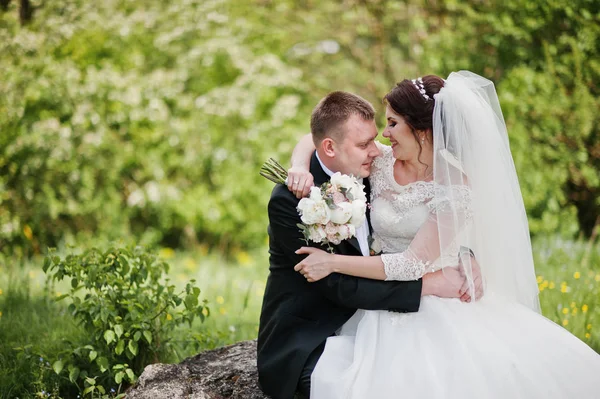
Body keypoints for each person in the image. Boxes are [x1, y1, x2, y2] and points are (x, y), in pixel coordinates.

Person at [289, 71, 600, 398]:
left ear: (421, 130)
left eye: (393, 123)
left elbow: (410, 264)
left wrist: (333, 262)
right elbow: (318, 137)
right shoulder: (380, 160)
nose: (385, 132)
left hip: (437, 295)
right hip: (382, 296)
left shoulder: (455, 188)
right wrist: (298, 165)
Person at [256, 91, 483, 399]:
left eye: (377, 137)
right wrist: (428, 284)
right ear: (330, 148)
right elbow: (339, 287)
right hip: (313, 332)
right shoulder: (293, 202)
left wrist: (463, 256)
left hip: (376, 311)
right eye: (364, 144)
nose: (376, 149)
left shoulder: (369, 169)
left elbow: (433, 224)